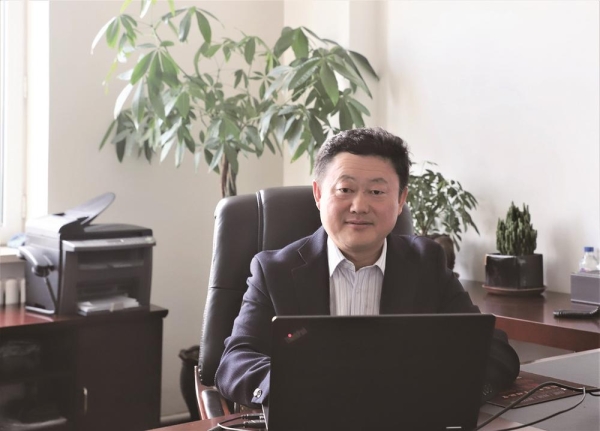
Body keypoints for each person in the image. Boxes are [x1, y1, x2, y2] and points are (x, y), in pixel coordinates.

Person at [215, 127, 519, 407]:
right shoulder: (274, 271)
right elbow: (235, 362)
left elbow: (494, 351)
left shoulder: (426, 263)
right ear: (318, 194)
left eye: (376, 192)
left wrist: (434, 386)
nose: (359, 206)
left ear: (401, 200)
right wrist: (295, 386)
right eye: (345, 189)